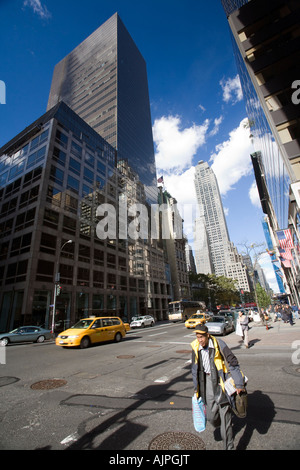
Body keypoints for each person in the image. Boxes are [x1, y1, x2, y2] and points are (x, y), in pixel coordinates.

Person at [191, 325, 245, 450]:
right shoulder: (195, 346)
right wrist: (196, 388)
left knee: (225, 419)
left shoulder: (219, 343)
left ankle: (229, 447)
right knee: (211, 417)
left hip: (222, 382)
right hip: (207, 382)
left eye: (201, 337)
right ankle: (222, 422)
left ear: (207, 335)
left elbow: (233, 361)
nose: (199, 340)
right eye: (197, 337)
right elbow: (194, 369)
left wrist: (239, 383)